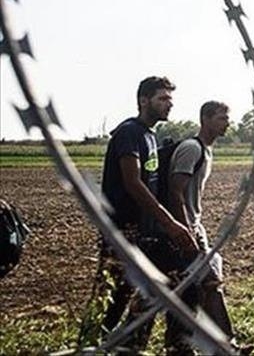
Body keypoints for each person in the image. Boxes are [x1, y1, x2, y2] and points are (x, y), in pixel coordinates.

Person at [78, 76, 197, 348]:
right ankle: (89, 345)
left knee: (175, 280)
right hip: (123, 230)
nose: (169, 104)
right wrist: (169, 223)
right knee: (112, 297)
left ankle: (152, 346)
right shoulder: (129, 133)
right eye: (162, 98)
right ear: (144, 101)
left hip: (145, 232)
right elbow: (133, 183)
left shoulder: (150, 136)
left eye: (170, 99)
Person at [166, 101, 251, 352]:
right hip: (184, 231)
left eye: (227, 118)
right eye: (221, 118)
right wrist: (187, 233)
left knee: (192, 288)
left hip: (194, 228)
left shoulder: (206, 150)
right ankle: (225, 345)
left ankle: (182, 344)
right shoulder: (192, 149)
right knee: (209, 283)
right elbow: (175, 193)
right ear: (205, 119)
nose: (227, 123)